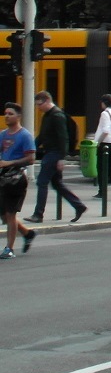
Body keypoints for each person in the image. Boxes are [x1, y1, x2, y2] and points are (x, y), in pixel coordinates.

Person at [25, 91, 87, 224]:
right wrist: (31, 148)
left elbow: (63, 137)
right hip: (50, 152)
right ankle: (79, 206)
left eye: (39, 105)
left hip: (54, 154)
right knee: (57, 184)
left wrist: (62, 158)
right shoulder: (47, 116)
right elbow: (42, 135)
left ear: (47, 101)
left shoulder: (57, 115)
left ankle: (38, 214)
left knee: (42, 182)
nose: (38, 108)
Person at [0, 103, 38, 258]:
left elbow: (31, 159)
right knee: (4, 215)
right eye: (5, 113)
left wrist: (10, 163)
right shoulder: (3, 134)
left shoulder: (25, 135)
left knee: (10, 214)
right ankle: (27, 233)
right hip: (3, 178)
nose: (7, 116)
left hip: (16, 180)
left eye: (10, 113)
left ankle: (9, 249)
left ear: (18, 116)